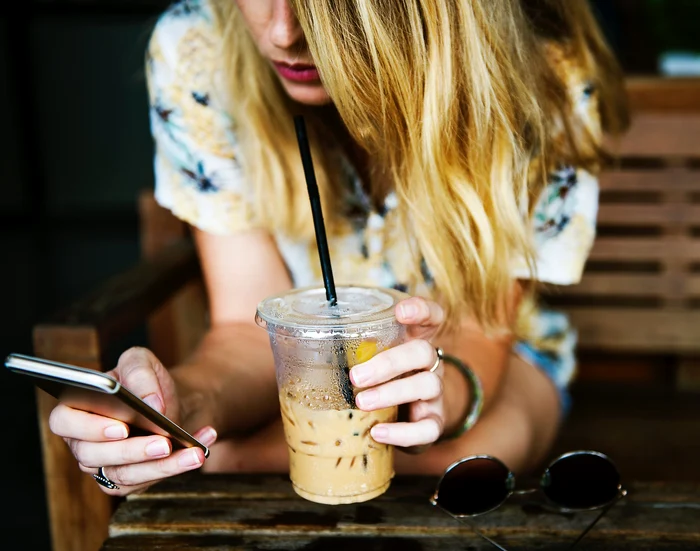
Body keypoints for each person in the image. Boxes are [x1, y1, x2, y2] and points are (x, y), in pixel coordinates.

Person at [48, 0, 628, 495]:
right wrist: (183, 408)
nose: (282, 32)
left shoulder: (541, 76)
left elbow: (482, 330)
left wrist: (438, 396)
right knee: (248, 455)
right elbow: (249, 331)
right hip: (301, 374)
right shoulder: (198, 49)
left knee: (461, 461)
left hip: (491, 357)